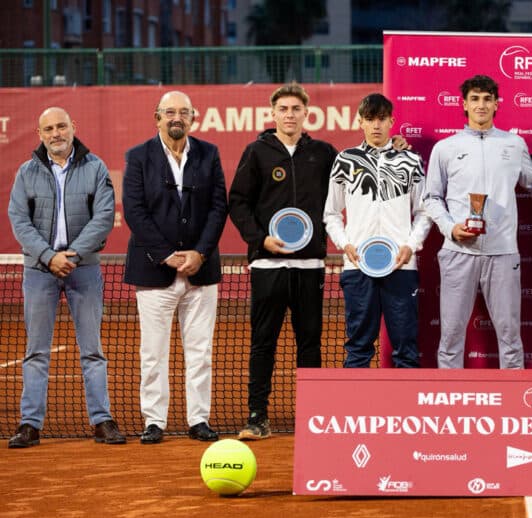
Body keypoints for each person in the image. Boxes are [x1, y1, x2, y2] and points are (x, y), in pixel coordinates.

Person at [7, 107, 125, 448]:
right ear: (39, 133)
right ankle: (29, 425)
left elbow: (103, 217)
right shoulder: (27, 172)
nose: (56, 133)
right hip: (38, 272)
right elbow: (20, 221)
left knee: (93, 351)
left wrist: (70, 257)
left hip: (83, 270)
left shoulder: (96, 168)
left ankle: (102, 421)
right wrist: (49, 257)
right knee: (36, 352)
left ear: (73, 127)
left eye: (61, 126)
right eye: (48, 128)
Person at [228, 83, 338, 440]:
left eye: (296, 109)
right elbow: (239, 202)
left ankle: (313, 415)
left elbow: (350, 185)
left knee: (309, 341)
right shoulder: (256, 152)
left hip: (310, 266)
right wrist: (261, 240)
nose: (290, 114)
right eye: (283, 109)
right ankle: (257, 416)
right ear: (272, 113)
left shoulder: (323, 153)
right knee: (264, 341)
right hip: (267, 265)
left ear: (306, 114)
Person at [123, 91, 228, 444]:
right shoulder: (138, 157)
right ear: (157, 117)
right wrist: (167, 254)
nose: (176, 117)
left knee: (200, 352)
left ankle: (198, 420)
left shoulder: (209, 153)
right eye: (169, 112)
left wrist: (199, 252)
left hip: (202, 271)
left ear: (194, 118)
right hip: (154, 272)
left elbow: (218, 207)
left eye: (183, 112)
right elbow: (134, 210)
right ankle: (155, 421)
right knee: (153, 353)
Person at [424, 74, 532, 369]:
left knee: (510, 335)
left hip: (503, 252)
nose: (481, 105)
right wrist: (450, 228)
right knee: (450, 335)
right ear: (464, 104)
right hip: (457, 251)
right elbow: (431, 198)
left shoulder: (514, 143)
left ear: (496, 104)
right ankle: (449, 401)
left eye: (487, 99)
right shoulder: (446, 147)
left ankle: (514, 402)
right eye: (475, 99)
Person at [324, 93, 432, 368]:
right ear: (360, 122)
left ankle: (404, 409)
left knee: (406, 348)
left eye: (382, 119)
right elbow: (332, 213)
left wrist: (411, 246)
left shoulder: (411, 161)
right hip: (358, 266)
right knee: (358, 347)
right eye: (370, 119)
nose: (376, 126)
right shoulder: (345, 160)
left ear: (391, 122)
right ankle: (353, 410)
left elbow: (423, 212)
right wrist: (345, 244)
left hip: (401, 266)